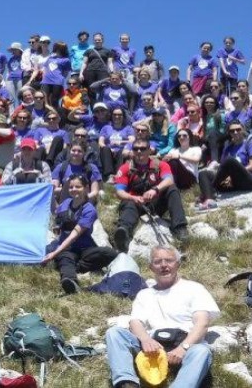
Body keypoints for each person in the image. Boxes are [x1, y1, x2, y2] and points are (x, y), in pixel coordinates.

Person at [105, 245, 219, 388]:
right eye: (158, 262)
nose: (164, 265)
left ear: (178, 264)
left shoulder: (194, 288)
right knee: (114, 333)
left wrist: (183, 348)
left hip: (184, 343)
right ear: (151, 267)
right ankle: (126, 382)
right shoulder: (144, 294)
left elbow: (202, 323)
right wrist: (145, 339)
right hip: (152, 347)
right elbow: (135, 322)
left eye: (169, 260)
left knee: (202, 351)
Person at [43, 175, 118, 294]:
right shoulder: (66, 203)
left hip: (84, 248)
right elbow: (55, 211)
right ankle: (70, 281)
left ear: (86, 188)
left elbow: (75, 234)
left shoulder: (89, 209)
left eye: (78, 186)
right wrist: (51, 193)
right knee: (66, 257)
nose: (73, 189)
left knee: (109, 253)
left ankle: (69, 264)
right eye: (71, 187)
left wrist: (54, 253)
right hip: (66, 248)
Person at [113, 139, 188, 252]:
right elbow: (119, 191)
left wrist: (155, 190)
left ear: (149, 151)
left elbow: (169, 180)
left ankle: (180, 227)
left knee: (172, 189)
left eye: (143, 149)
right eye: (135, 149)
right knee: (127, 203)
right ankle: (123, 232)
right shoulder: (125, 168)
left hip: (155, 202)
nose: (139, 151)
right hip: (136, 203)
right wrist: (133, 197)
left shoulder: (160, 164)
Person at [197, 121, 252, 211]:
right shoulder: (228, 148)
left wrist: (233, 171)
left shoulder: (250, 144)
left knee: (230, 161)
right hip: (233, 183)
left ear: (243, 130)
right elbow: (222, 168)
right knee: (203, 173)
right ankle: (209, 199)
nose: (235, 132)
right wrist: (227, 175)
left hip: (251, 180)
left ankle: (211, 188)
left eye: (238, 129)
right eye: (232, 131)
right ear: (229, 133)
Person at [99, 107, 135, 178]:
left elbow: (132, 140)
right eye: (114, 114)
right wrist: (109, 149)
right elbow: (100, 142)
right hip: (109, 152)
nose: (117, 116)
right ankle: (109, 175)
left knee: (121, 151)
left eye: (119, 115)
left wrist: (120, 142)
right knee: (105, 149)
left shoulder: (128, 128)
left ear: (123, 116)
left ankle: (119, 175)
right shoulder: (106, 128)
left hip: (122, 152)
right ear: (111, 116)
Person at [40, 42, 72, 107]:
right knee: (44, 99)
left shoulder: (66, 60)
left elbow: (66, 72)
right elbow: (45, 68)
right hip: (46, 81)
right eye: (57, 47)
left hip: (57, 82)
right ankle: (46, 115)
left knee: (54, 100)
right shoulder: (50, 58)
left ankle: (56, 115)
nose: (58, 50)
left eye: (60, 48)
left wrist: (60, 79)